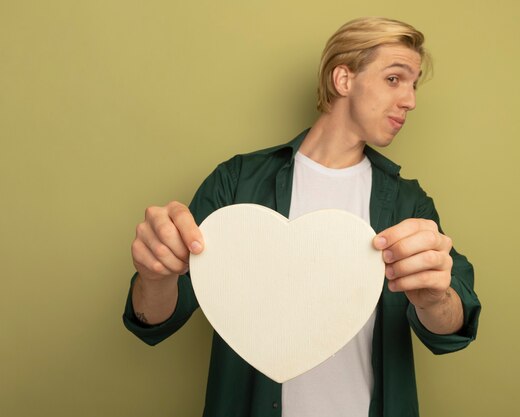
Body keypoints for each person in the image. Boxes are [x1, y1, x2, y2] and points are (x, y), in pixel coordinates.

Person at [123, 16, 481, 417]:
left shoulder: (408, 203)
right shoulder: (237, 182)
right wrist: (156, 276)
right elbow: (155, 318)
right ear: (342, 80)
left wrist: (436, 298)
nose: (411, 100)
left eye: (414, 86)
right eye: (395, 79)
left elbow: (453, 325)